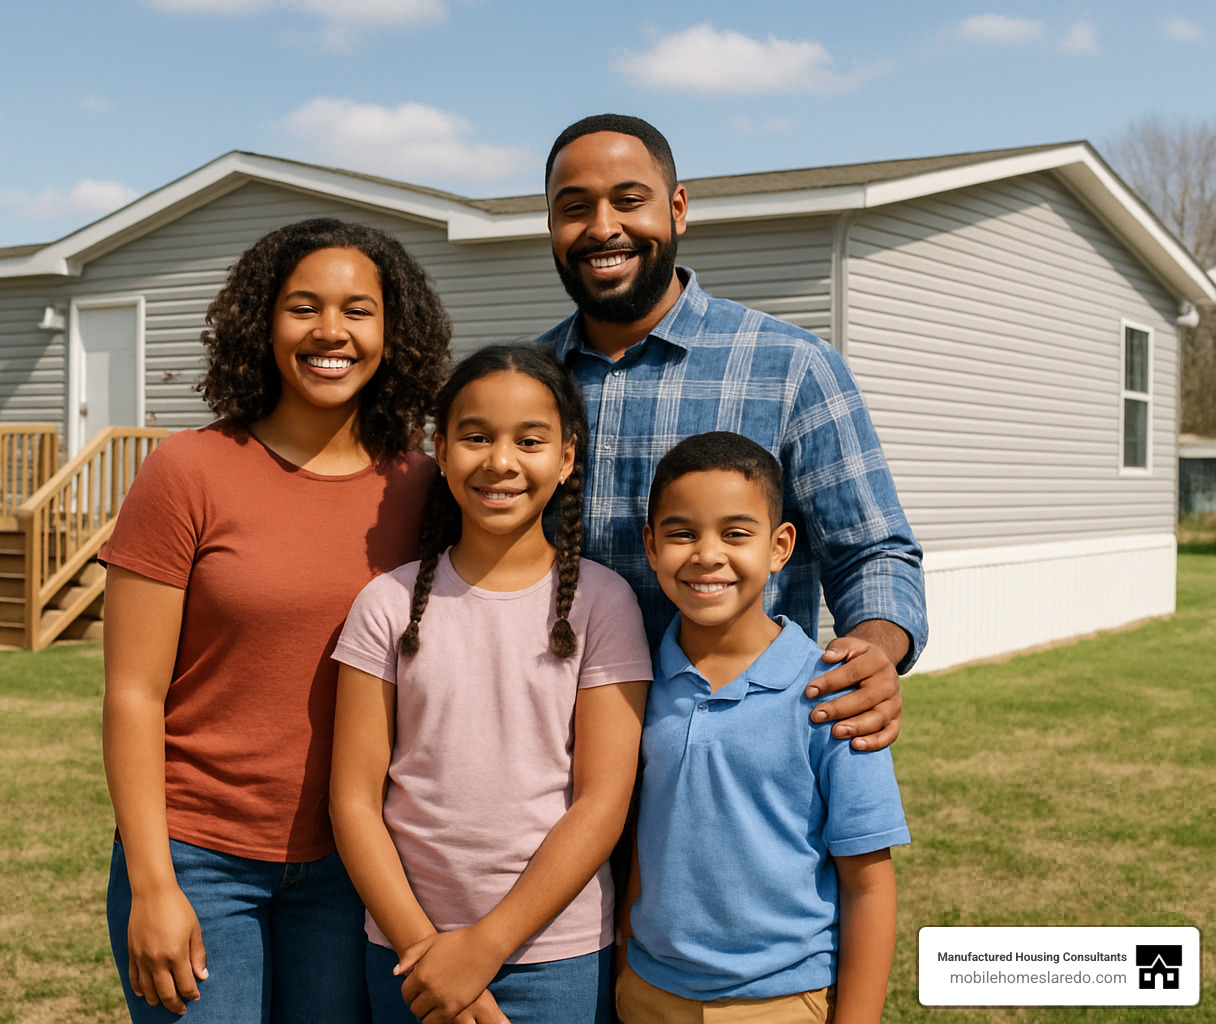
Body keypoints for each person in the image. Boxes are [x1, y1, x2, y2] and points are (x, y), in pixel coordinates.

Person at [98, 217, 452, 1023]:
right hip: (198, 858)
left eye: (359, 310)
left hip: (354, 867)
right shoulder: (187, 471)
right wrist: (154, 883)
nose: (332, 331)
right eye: (304, 307)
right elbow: (132, 695)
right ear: (262, 324)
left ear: (393, 331)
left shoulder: (429, 487)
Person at [537, 114, 928, 750]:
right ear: (552, 227)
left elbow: (872, 551)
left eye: (629, 201)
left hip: (734, 752)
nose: (603, 227)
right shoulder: (523, 388)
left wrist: (876, 650)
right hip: (551, 757)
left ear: (678, 208)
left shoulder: (792, 367)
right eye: (574, 208)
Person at [329, 344, 652, 1024]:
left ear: (566, 459)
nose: (500, 461)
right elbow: (354, 800)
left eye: (529, 441)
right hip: (407, 956)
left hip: (555, 956)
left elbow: (602, 801)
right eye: (476, 437)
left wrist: (486, 948)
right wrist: (430, 953)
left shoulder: (604, 603)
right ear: (440, 451)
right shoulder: (384, 605)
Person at [617, 432, 909, 1024]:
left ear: (779, 546)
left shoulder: (833, 695)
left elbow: (869, 886)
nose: (707, 554)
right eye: (681, 533)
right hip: (648, 992)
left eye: (735, 533)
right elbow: (651, 834)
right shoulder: (638, 684)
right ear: (650, 547)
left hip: (779, 1001)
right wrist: (626, 958)